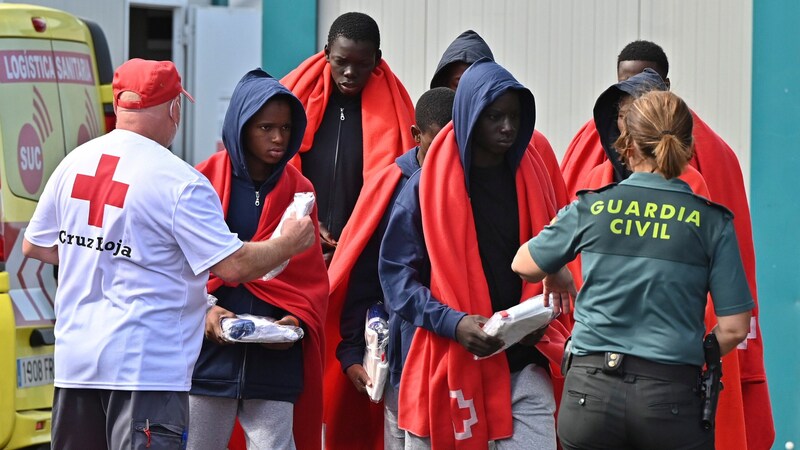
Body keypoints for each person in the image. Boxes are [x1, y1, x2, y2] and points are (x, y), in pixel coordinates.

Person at [21, 59, 315, 450]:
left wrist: (106, 253)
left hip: (76, 365)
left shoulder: (74, 162)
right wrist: (289, 243)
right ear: (174, 108)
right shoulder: (179, 181)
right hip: (146, 371)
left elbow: (36, 245)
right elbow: (232, 266)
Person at [559, 40, 774, 450]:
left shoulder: (712, 159)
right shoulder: (589, 148)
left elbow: (537, 255)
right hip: (635, 370)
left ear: (668, 88)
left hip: (644, 370)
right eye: (622, 88)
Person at [514, 90, 754, 450]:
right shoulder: (710, 221)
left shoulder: (592, 207)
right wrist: (696, 352)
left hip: (588, 397)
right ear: (688, 148)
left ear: (626, 145)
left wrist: (557, 270)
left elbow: (523, 264)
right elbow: (735, 327)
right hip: (672, 398)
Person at [379, 59, 571, 449]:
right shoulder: (422, 189)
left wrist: (540, 315)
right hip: (448, 361)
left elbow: (552, 257)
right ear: (469, 116)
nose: (508, 127)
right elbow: (396, 279)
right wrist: (454, 323)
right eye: (494, 116)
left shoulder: (534, 178)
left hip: (522, 360)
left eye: (515, 117)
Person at [187, 69, 328, 450]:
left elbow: (312, 279)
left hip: (275, 361)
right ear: (241, 127)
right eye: (266, 127)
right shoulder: (202, 181)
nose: (279, 138)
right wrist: (206, 312)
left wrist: (294, 323)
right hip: (207, 358)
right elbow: (182, 268)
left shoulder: (301, 190)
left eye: (285, 127)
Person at [323, 87, 455, 450]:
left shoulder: (476, 182)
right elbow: (364, 274)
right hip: (401, 351)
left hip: (459, 347)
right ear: (416, 136)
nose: (447, 157)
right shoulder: (392, 184)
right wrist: (351, 350)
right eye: (437, 145)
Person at [280, 12, 416, 265]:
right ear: (326, 53)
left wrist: (353, 239)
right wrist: (305, 219)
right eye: (341, 61)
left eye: (362, 63)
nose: (350, 72)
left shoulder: (399, 115)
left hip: (364, 253)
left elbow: (399, 191)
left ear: (377, 60)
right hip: (296, 239)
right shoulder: (293, 102)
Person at [431, 29, 569, 208]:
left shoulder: (536, 145)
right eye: (459, 85)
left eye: (477, 86)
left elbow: (556, 213)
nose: (507, 128)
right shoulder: (432, 140)